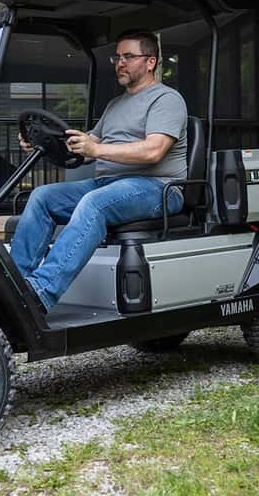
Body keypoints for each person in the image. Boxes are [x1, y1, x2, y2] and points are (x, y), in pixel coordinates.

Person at [11, 29, 187, 309]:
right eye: (117, 57)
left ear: (150, 61)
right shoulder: (116, 104)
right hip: (111, 185)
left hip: (158, 188)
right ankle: (13, 287)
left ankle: (41, 292)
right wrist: (43, 142)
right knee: (42, 197)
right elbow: (91, 143)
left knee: (94, 203)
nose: (120, 63)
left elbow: (154, 151)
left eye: (128, 56)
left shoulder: (166, 99)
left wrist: (97, 149)